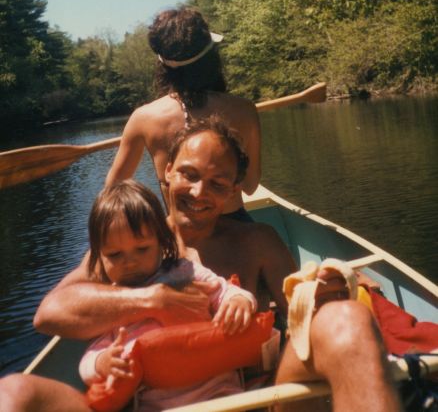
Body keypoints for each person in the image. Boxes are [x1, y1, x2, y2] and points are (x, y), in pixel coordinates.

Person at [0, 117, 402, 412]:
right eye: (188, 175)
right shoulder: (129, 245)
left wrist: (330, 288)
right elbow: (49, 314)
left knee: (347, 319)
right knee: (12, 393)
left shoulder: (257, 241)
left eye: (217, 183)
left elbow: (302, 313)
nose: (198, 192)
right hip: (153, 403)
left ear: (232, 191)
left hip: (250, 400)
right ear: (167, 172)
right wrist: (154, 300)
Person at [79, 179, 256, 410]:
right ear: (99, 257)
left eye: (142, 249)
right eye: (114, 255)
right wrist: (102, 362)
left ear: (162, 242)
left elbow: (224, 290)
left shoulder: (184, 272)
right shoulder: (112, 301)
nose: (129, 262)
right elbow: (90, 357)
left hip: (221, 395)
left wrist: (240, 300)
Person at [105, 7, 261, 220]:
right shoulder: (244, 109)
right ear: (211, 58)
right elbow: (251, 186)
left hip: (180, 235)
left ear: (163, 65)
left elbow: (113, 193)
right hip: (236, 229)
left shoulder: (143, 118)